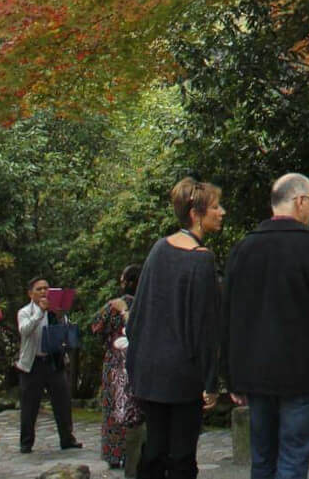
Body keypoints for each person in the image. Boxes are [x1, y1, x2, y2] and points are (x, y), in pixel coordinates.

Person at [225, 173, 309, 479]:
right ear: (299, 201)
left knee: (262, 461)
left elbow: (228, 315)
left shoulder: (242, 250)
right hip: (303, 374)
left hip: (255, 374)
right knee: (293, 461)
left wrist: (231, 375)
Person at [128, 178, 226, 479]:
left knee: (154, 451)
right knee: (182, 455)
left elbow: (137, 316)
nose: (221, 212)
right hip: (183, 373)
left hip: (150, 370)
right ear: (196, 214)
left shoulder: (158, 249)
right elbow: (205, 327)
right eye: (215, 207)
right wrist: (211, 382)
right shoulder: (202, 259)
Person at [17, 277, 83, 454]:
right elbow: (25, 330)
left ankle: (67, 438)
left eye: (46, 288)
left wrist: (61, 317)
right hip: (33, 363)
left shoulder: (55, 312)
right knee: (30, 406)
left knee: (62, 401)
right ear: (30, 293)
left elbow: (65, 333)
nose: (43, 292)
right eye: (39, 289)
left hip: (54, 361)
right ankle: (26, 442)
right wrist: (40, 312)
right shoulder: (24, 312)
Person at [90, 265, 143, 469]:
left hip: (115, 361)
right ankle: (136, 451)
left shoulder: (114, 305)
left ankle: (114, 453)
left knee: (115, 408)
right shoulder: (146, 303)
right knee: (136, 408)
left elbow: (95, 326)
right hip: (139, 362)